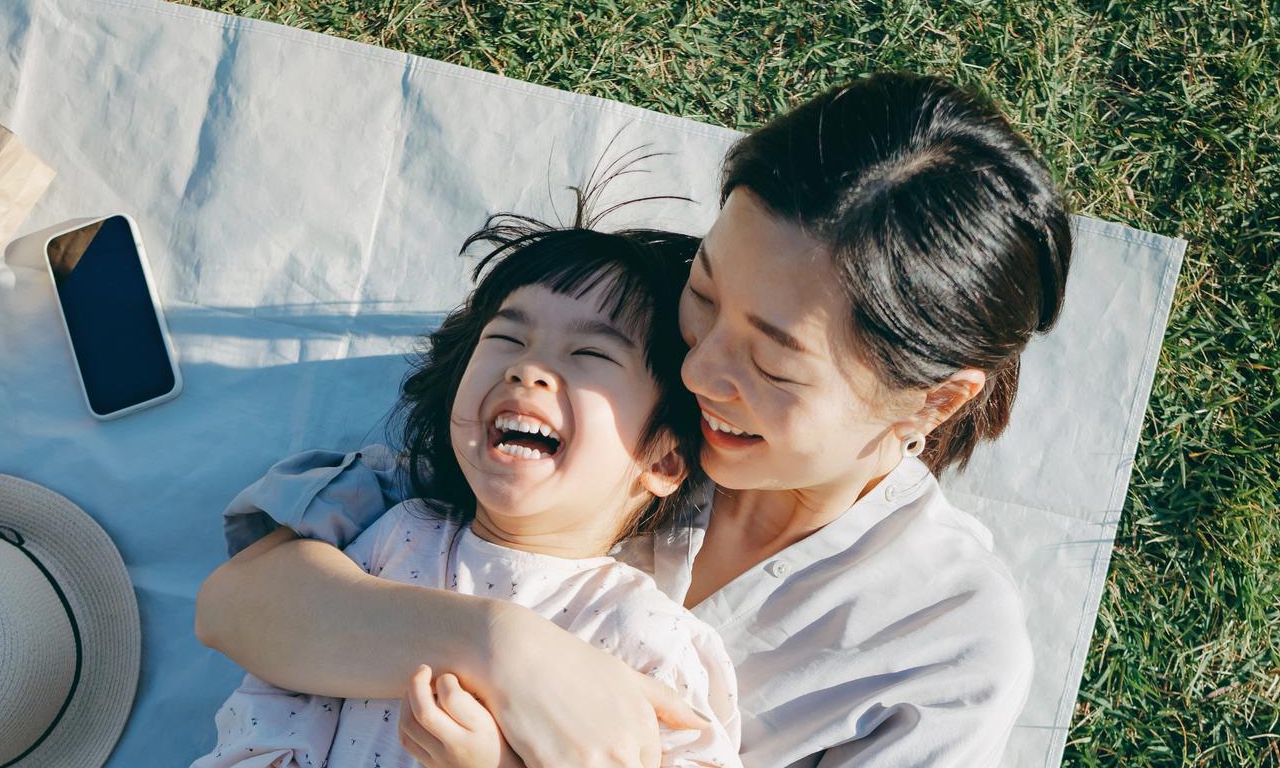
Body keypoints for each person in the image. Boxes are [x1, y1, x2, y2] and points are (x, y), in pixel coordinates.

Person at [196, 71, 1073, 768]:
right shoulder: (615, 344)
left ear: (935, 398)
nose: (698, 368)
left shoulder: (942, 656)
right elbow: (246, 604)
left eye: (771, 363)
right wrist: (506, 649)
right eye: (706, 288)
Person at [191, 211, 742, 768]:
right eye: (507, 338)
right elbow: (277, 696)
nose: (529, 369)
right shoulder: (394, 536)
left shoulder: (646, 637)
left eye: (590, 354)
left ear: (664, 460)